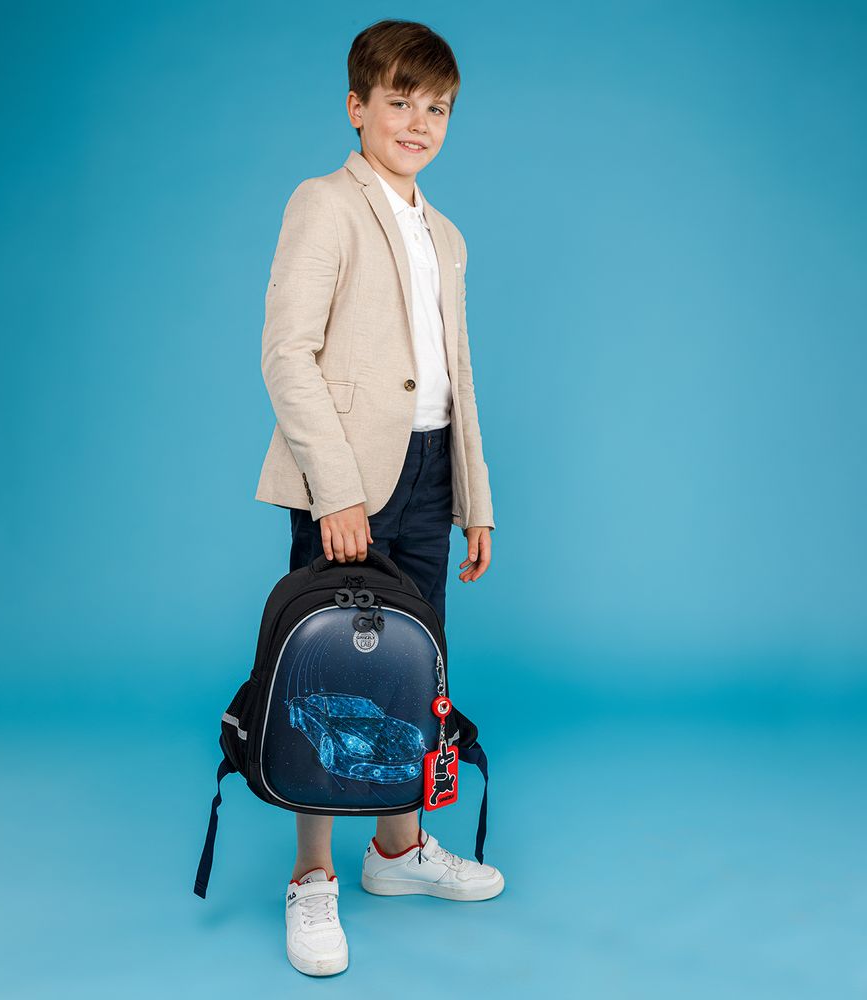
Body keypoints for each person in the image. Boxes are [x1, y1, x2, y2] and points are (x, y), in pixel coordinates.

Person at [254, 19, 505, 977]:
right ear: (357, 108)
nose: (418, 122)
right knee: (329, 665)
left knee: (414, 666)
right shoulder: (324, 202)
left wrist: (476, 498)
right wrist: (336, 490)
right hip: (350, 476)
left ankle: (397, 851)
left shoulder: (448, 234)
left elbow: (456, 375)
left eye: (436, 107)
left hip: (433, 470)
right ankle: (312, 874)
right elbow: (289, 354)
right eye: (399, 101)